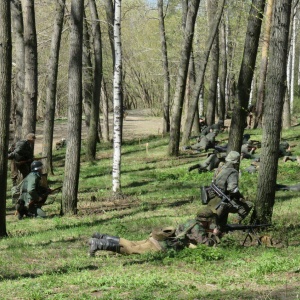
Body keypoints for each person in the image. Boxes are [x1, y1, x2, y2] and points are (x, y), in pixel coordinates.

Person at [88, 208, 221, 257]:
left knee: (131, 243)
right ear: (206, 220)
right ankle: (98, 244)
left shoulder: (191, 222)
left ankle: (101, 237)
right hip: (160, 246)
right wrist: (215, 235)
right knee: (131, 250)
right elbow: (206, 245)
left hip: (158, 239)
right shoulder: (198, 228)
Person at [206, 151, 253, 230]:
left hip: (213, 200)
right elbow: (233, 189)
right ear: (237, 161)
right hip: (223, 202)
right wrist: (241, 197)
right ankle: (235, 225)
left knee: (219, 225)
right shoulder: (232, 171)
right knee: (248, 205)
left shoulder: (219, 169)